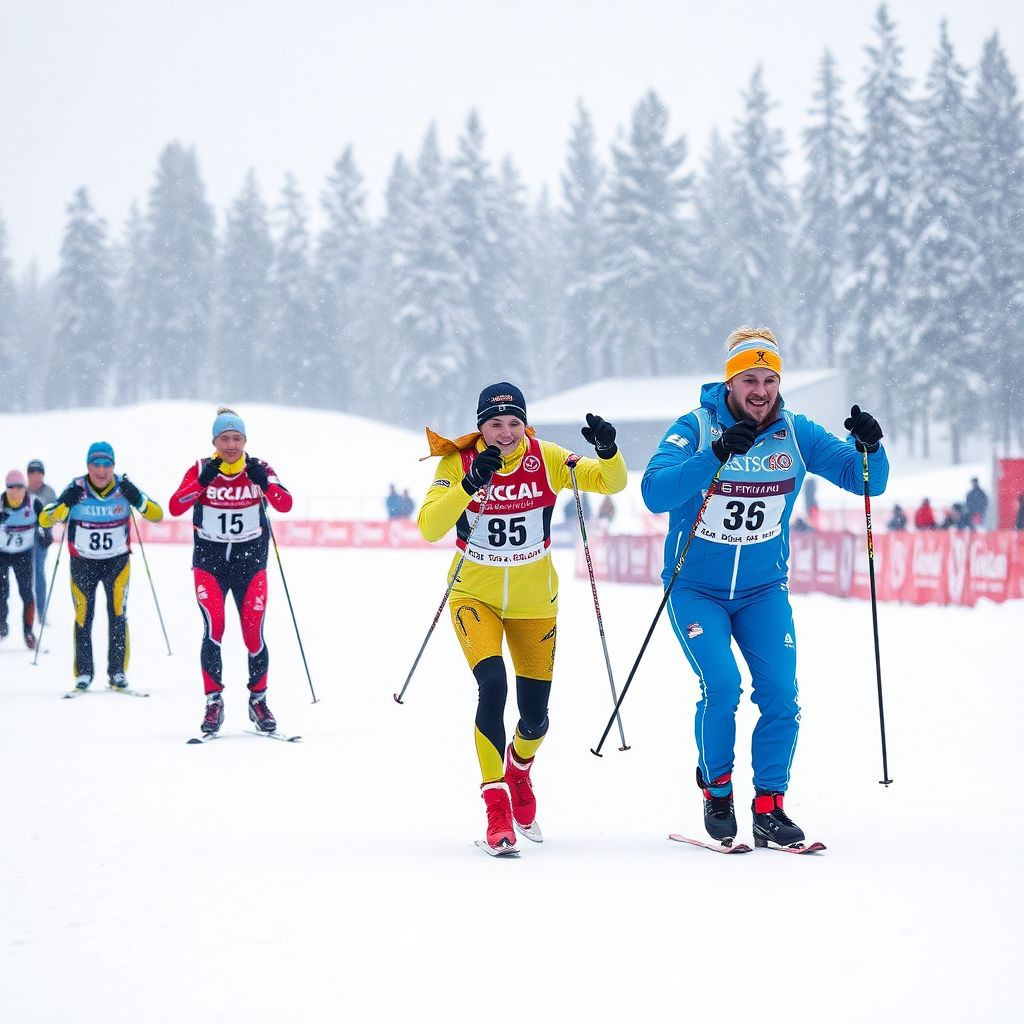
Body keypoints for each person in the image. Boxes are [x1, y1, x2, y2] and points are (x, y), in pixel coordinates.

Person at [641, 326, 888, 851]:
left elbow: (867, 479)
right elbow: (655, 493)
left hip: (762, 592)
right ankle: (718, 790)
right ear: (730, 383)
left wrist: (870, 447)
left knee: (781, 695)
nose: (761, 390)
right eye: (749, 379)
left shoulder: (795, 432)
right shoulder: (695, 426)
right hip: (696, 589)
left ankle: (770, 806)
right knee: (723, 686)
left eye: (770, 379)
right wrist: (712, 456)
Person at [417, 382, 626, 854]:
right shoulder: (459, 462)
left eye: (514, 423)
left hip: (535, 603)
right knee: (492, 685)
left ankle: (520, 769)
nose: (505, 433)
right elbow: (429, 527)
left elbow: (611, 483)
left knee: (535, 719)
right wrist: (470, 485)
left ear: (524, 424)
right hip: (474, 596)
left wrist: (609, 451)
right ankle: (496, 806)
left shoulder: (547, 458)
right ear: (481, 426)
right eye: (495, 424)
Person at [169, 408, 293, 736]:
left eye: (237, 438)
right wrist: (202, 481)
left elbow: (284, 503)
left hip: (250, 563)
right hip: (209, 563)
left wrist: (263, 482)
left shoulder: (259, 468)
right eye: (224, 438)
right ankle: (214, 702)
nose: (231, 445)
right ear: (214, 440)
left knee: (253, 632)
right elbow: (176, 506)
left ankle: (258, 700)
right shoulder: (200, 469)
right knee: (214, 628)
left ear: (245, 440)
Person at [39, 443, 163, 690]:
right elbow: (44, 519)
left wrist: (137, 497)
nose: (102, 471)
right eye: (96, 465)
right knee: (84, 616)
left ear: (113, 466)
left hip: (117, 563)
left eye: (107, 465)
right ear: (88, 466)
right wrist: (65, 504)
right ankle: (84, 673)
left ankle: (117, 672)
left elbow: (157, 515)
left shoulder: (123, 488)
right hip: (82, 562)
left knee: (117, 613)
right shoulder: (77, 488)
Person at [0, 470, 44, 649]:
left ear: (25, 488)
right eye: (11, 488)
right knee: (2, 592)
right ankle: (1, 624)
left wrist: (44, 534)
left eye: (19, 487)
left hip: (23, 554)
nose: (16, 492)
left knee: (26, 593)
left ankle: (28, 631)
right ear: (7, 488)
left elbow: (45, 521)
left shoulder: (34, 503)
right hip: (2, 554)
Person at [26, 459, 56, 621]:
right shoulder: (21, 491)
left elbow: (56, 514)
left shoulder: (49, 492)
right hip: (24, 539)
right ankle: (28, 612)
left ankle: (41, 612)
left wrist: (47, 531)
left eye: (39, 473)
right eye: (33, 474)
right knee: (26, 575)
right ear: (28, 476)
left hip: (42, 538)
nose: (36, 477)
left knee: (39, 572)